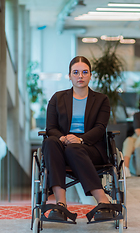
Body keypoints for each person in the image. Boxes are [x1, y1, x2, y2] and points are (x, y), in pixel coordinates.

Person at [42, 56, 113, 221]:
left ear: (90, 75)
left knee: (74, 148)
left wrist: (80, 140)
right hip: (61, 144)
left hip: (91, 147)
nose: (80, 76)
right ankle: (60, 205)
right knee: (50, 141)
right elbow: (50, 128)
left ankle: (103, 201)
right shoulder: (57, 98)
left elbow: (100, 128)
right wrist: (63, 138)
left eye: (84, 72)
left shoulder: (102, 100)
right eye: (76, 72)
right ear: (69, 76)